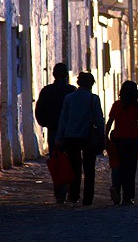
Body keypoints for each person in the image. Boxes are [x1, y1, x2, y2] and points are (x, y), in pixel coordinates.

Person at [55, 72, 104, 206]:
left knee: (74, 167)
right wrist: (102, 136)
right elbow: (99, 120)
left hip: (71, 136)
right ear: (91, 84)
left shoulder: (69, 98)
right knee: (89, 169)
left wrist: (59, 137)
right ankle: (88, 199)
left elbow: (63, 119)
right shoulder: (93, 99)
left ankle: (74, 196)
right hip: (88, 136)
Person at [35, 62, 76, 203]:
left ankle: (60, 193)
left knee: (57, 161)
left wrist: (47, 124)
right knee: (71, 161)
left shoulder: (46, 91)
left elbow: (39, 111)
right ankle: (72, 193)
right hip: (70, 132)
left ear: (53, 74)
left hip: (53, 131)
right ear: (66, 75)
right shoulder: (72, 91)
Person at [105, 80, 138, 206]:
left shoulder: (117, 105)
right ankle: (127, 197)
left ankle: (116, 188)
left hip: (118, 140)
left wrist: (106, 136)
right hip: (132, 141)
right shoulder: (137, 106)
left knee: (118, 166)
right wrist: (133, 128)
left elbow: (110, 122)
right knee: (130, 169)